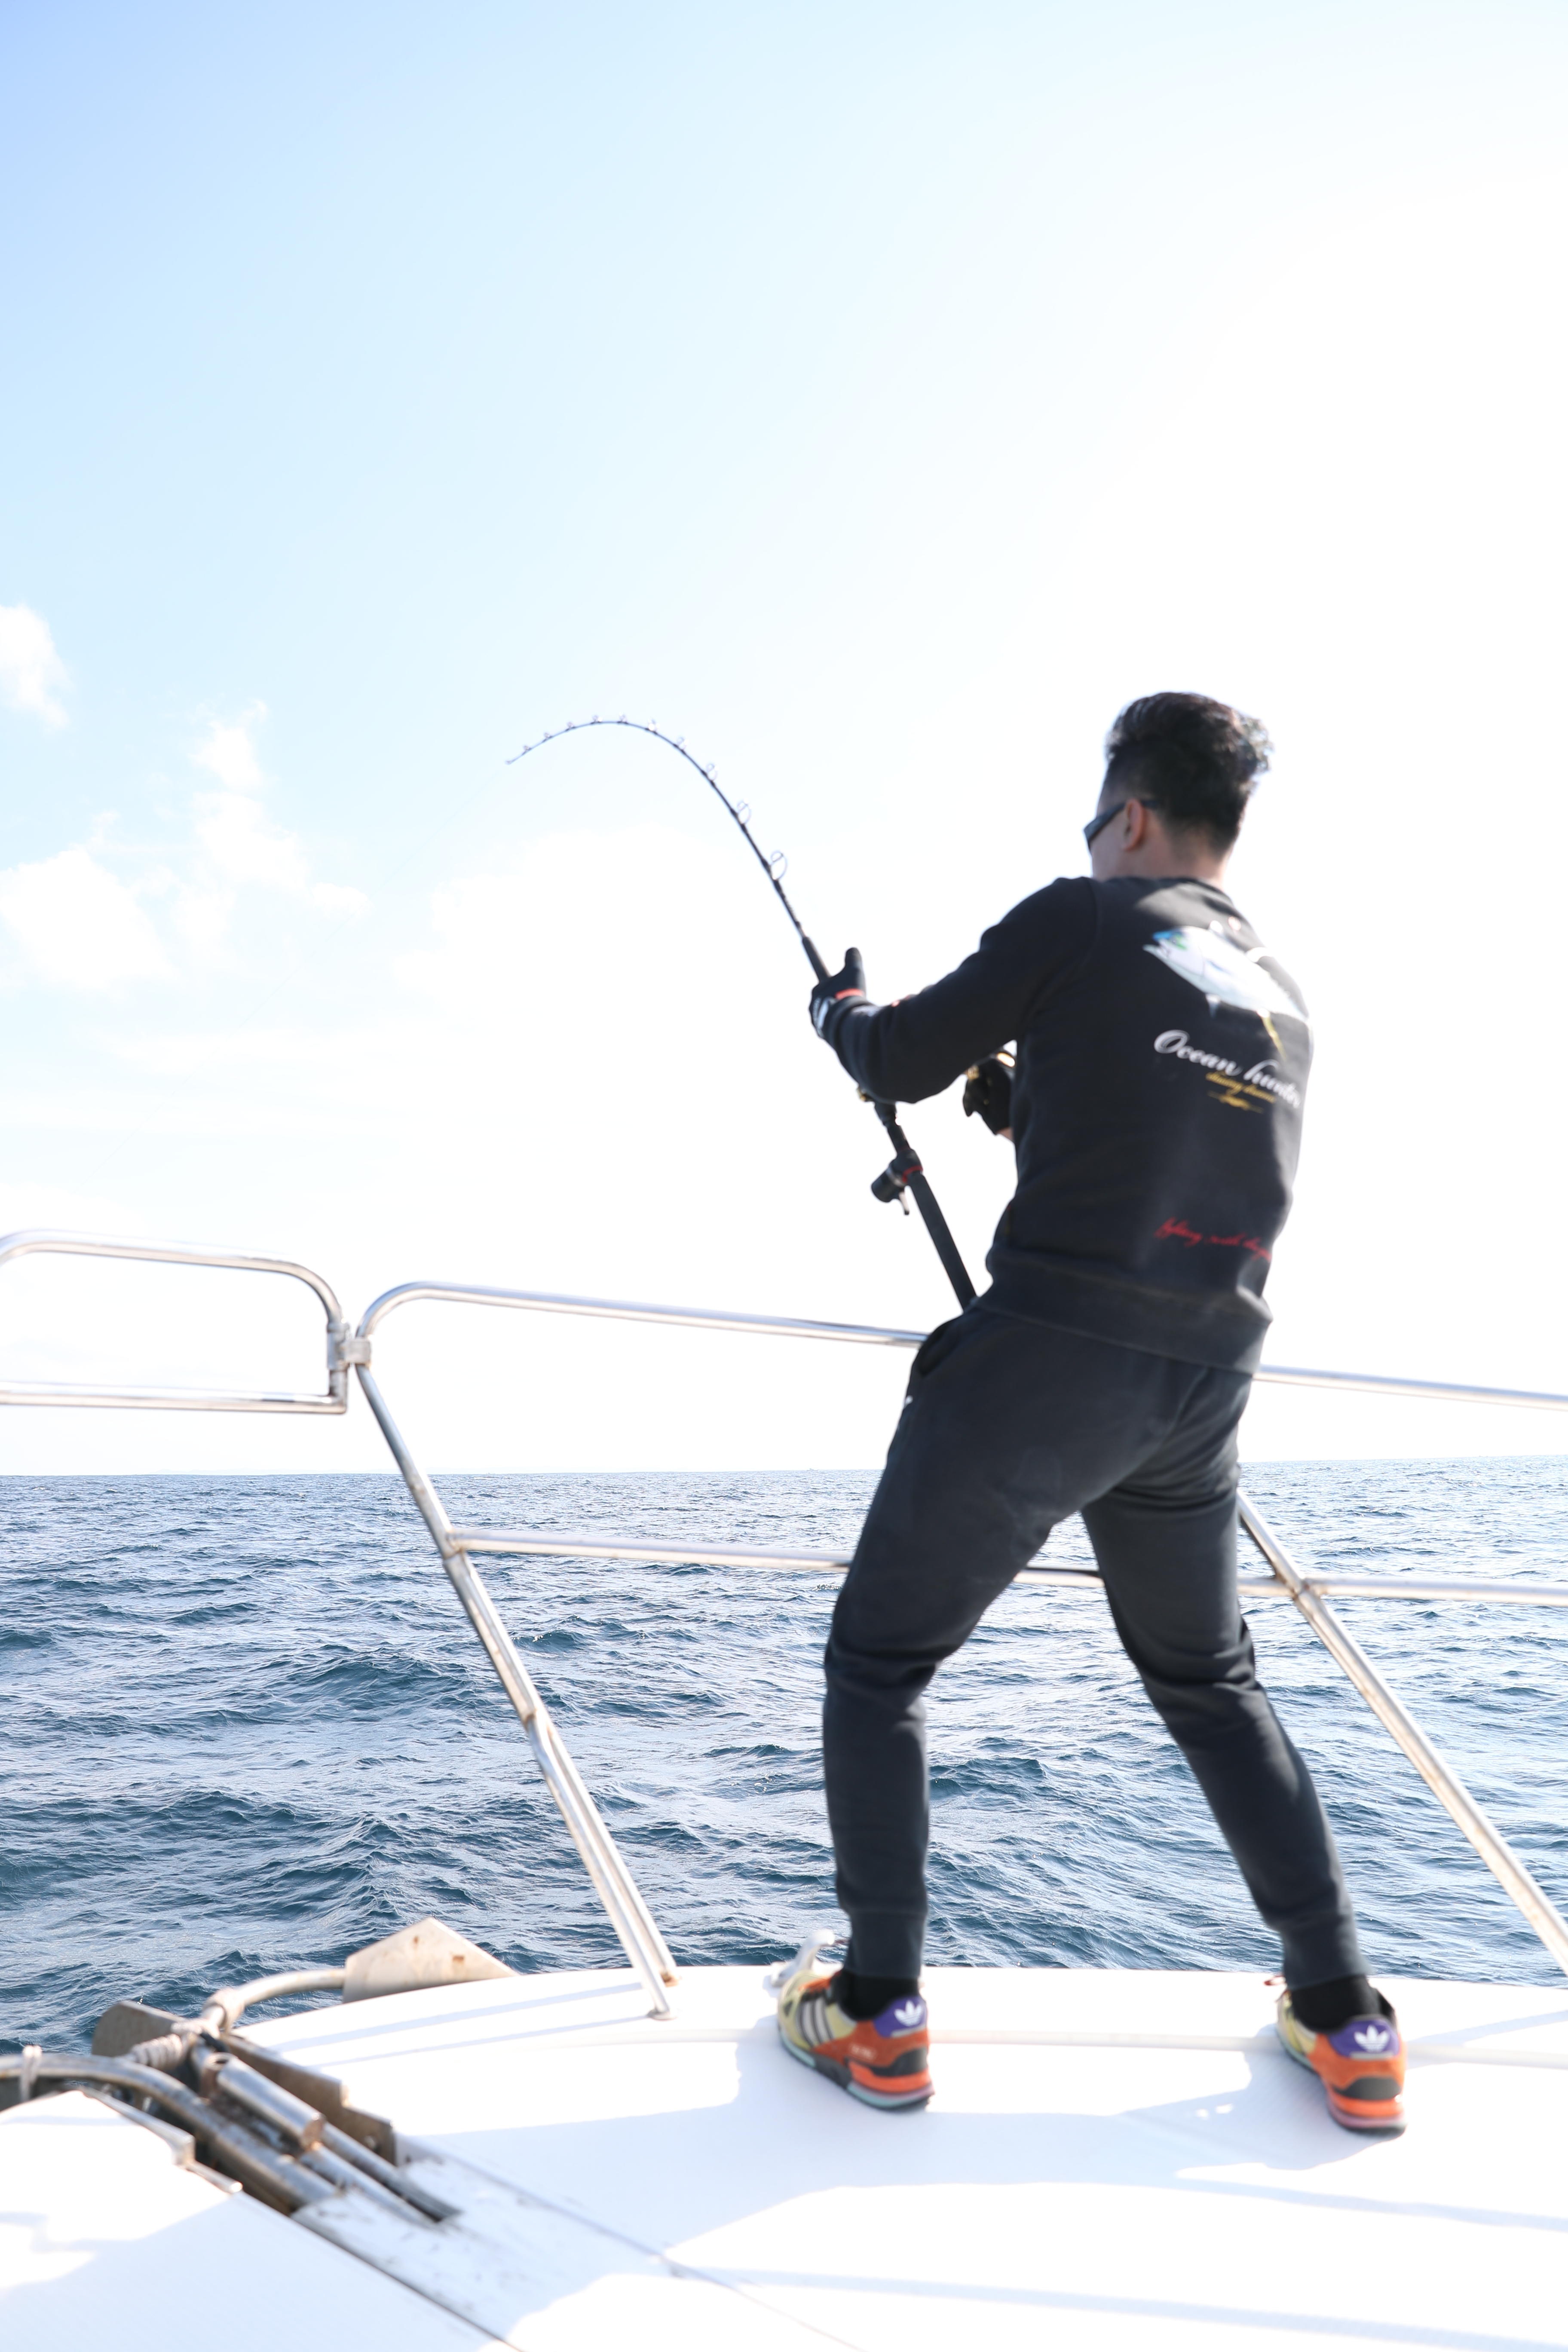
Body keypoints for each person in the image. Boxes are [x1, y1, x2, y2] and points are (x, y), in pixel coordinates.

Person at [775, 691, 1405, 2133]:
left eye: (1092, 818)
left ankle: (877, 2017)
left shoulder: (1082, 916)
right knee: (1213, 1687)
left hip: (1054, 1362)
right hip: (1204, 1388)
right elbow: (1163, 1144)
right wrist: (1029, 1107)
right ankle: (1346, 2014)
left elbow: (895, 1063)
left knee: (878, 1670)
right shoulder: (1274, 986)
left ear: (1127, 814)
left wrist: (839, 1010)